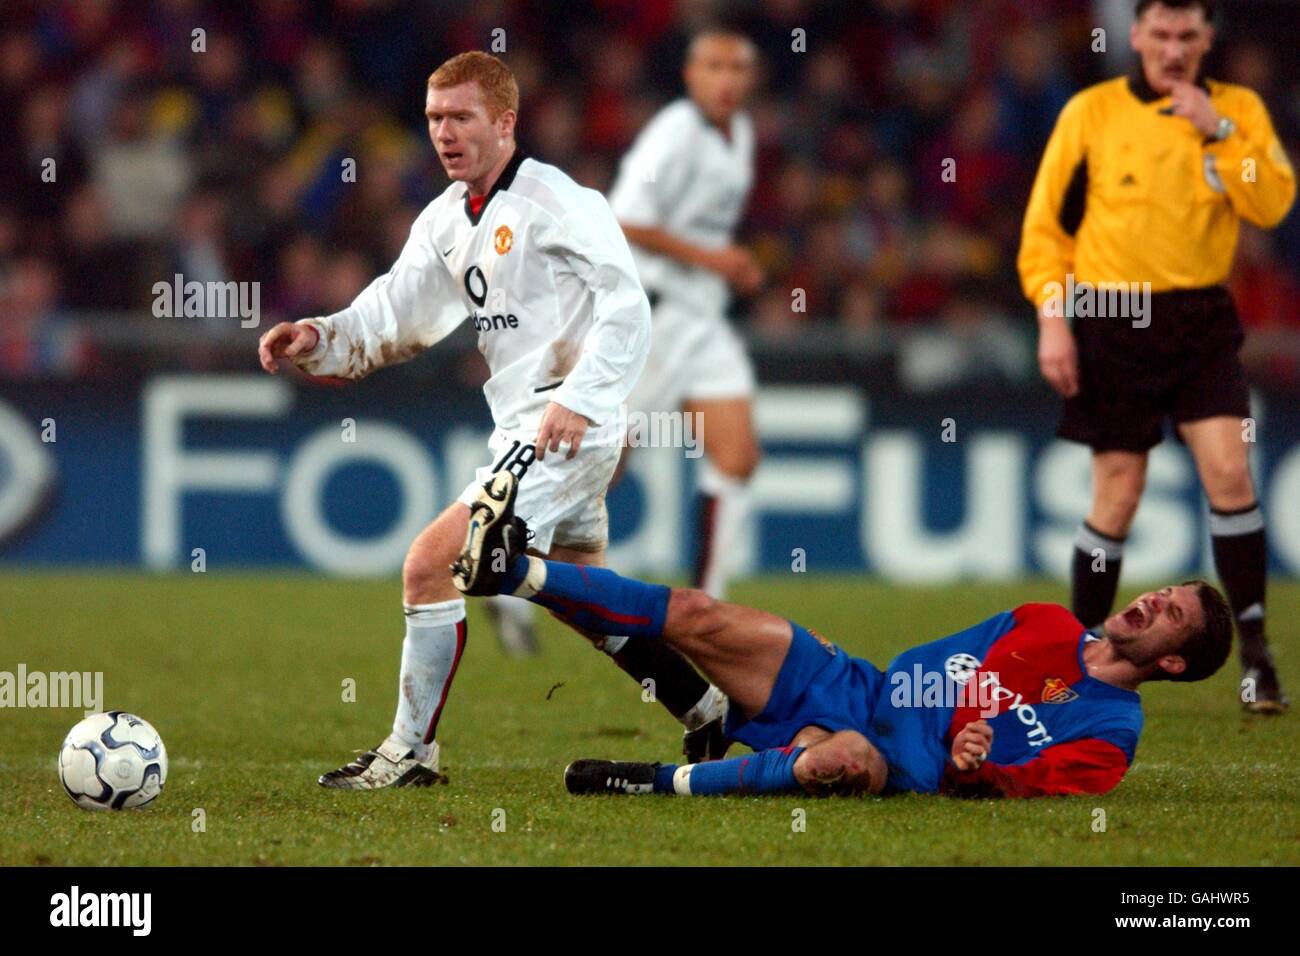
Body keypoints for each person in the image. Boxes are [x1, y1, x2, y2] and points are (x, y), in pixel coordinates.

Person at [258, 52, 707, 789]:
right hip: (529, 426)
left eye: (461, 116)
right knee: (588, 600)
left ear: (505, 121)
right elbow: (393, 314)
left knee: (430, 564)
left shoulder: (560, 201)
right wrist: (317, 336)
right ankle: (708, 708)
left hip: (565, 425)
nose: (444, 132)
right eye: (434, 118)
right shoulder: (444, 220)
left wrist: (583, 397)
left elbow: (627, 304)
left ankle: (409, 754)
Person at [451, 471, 1233, 798]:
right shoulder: (1047, 622)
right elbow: (933, 660)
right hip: (854, 683)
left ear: (1170, 660)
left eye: (1169, 614)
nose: (1149, 600)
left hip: (889, 760)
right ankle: (513, 571)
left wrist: (972, 766)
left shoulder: (1109, 736)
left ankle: (650, 779)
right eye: (1161, 591)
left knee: (842, 760)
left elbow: (1030, 783)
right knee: (701, 614)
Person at [1019, 0, 1294, 712]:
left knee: (1230, 470)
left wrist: (1222, 132)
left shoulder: (1235, 112)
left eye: (1187, 35)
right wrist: (1054, 321)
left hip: (1199, 314)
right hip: (1110, 316)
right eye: (1161, 34)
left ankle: (1256, 655)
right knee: (1118, 492)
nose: (1173, 48)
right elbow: (1046, 228)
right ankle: (1080, 654)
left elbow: (1271, 206)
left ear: (1207, 40)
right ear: (1137, 35)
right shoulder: (1092, 112)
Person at [607, 27, 765, 602]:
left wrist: (721, 266)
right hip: (658, 314)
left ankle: (709, 603)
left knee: (737, 456)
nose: (727, 79)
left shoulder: (739, 132)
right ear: (690, 76)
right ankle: (507, 572)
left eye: (737, 67)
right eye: (714, 66)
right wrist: (714, 260)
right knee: (602, 465)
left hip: (702, 318)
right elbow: (623, 218)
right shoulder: (674, 132)